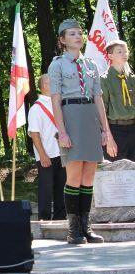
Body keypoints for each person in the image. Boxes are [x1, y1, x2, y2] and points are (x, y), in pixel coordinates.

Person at [48, 18, 117, 244]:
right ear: (62, 40)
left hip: (90, 118)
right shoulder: (57, 65)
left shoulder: (91, 65)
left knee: (88, 177)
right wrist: (62, 131)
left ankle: (86, 227)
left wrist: (106, 131)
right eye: (72, 34)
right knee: (75, 176)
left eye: (79, 33)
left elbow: (98, 99)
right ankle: (73, 229)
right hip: (71, 117)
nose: (78, 37)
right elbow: (55, 100)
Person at [28, 74, 66, 221]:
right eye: (49, 83)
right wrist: (42, 155)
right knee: (46, 189)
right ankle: (43, 219)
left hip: (61, 153)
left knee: (61, 188)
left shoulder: (59, 103)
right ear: (42, 86)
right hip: (47, 154)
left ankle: (60, 218)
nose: (53, 85)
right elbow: (34, 133)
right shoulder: (36, 108)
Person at [101, 39, 135, 161]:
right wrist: (109, 139)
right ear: (110, 56)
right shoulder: (104, 80)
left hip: (133, 128)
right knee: (117, 169)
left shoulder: (132, 78)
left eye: (126, 51)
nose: (124, 54)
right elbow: (102, 112)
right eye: (120, 51)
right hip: (115, 131)